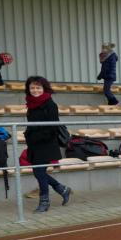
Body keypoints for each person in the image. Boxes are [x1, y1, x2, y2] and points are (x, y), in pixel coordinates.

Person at [23, 76, 72, 213]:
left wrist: (35, 137)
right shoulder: (31, 104)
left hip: (46, 143)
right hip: (34, 144)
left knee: (39, 172)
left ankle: (44, 201)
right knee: (38, 172)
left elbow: (52, 127)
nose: (35, 90)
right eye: (32, 87)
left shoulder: (50, 104)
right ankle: (62, 189)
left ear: (44, 88)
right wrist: (28, 135)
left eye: (38, 87)